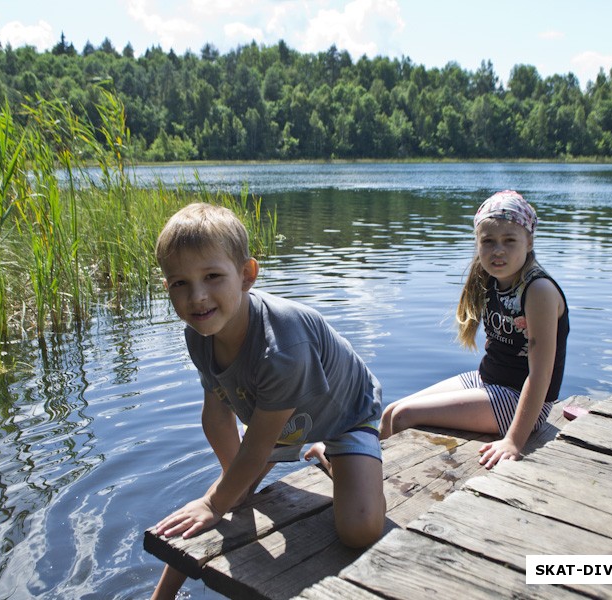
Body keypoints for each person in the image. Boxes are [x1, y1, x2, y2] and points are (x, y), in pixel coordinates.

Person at [150, 202, 386, 599]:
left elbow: (257, 448)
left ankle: (343, 458)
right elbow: (217, 416)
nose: (197, 297)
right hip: (281, 422)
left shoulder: (283, 348)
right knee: (224, 498)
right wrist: (230, 488)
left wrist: (214, 501)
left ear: (246, 276)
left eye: (212, 276)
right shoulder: (200, 334)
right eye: (180, 284)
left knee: (359, 530)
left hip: (345, 414)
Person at [380, 190, 569, 470]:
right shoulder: (491, 277)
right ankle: (364, 470)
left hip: (523, 400)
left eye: (509, 240)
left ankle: (384, 481)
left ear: (529, 241)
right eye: (488, 241)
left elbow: (542, 374)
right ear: (477, 243)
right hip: (487, 381)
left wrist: (514, 441)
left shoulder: (537, 289)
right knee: (390, 413)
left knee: (406, 415)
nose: (498, 250)